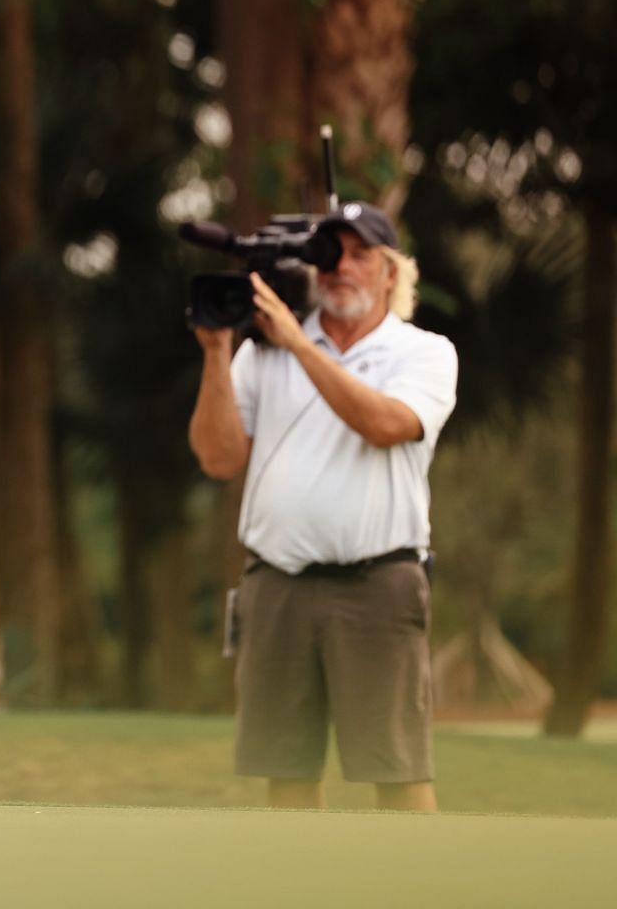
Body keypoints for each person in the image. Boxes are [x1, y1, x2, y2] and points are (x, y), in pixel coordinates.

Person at [188, 203, 457, 811]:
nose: (342, 268)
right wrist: (215, 351)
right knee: (285, 771)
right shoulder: (260, 354)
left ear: (392, 274)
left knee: (397, 769)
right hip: (276, 584)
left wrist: (300, 346)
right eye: (330, 254)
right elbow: (219, 458)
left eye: (361, 255)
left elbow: (386, 425)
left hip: (378, 584)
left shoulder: (424, 352)